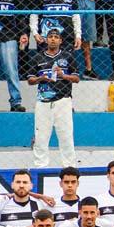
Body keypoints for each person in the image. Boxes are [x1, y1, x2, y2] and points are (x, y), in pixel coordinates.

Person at [29, 27, 79, 168]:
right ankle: (40, 167)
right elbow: (30, 80)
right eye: (50, 36)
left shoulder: (68, 57)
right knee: (41, 137)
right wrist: (41, 78)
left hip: (63, 101)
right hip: (43, 102)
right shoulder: (37, 57)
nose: (53, 39)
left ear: (61, 41)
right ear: (46, 39)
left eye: (56, 37)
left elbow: (76, 78)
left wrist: (63, 76)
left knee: (66, 136)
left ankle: (70, 168)